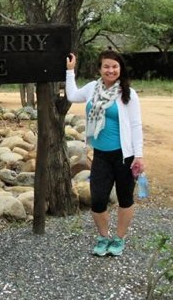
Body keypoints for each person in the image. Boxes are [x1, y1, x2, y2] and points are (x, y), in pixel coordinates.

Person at [65, 50, 144, 257]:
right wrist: (70, 71)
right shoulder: (92, 88)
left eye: (115, 66)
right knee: (98, 200)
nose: (111, 70)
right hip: (100, 154)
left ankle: (119, 238)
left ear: (120, 69)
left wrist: (139, 155)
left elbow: (136, 125)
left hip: (124, 155)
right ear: (100, 69)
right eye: (106, 66)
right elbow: (72, 95)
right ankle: (103, 237)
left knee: (125, 198)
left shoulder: (128, 93)